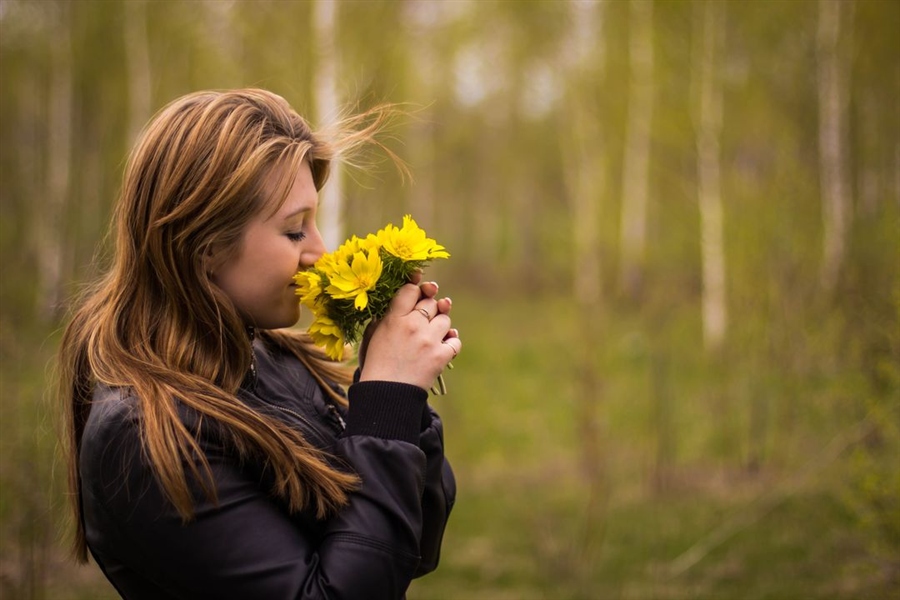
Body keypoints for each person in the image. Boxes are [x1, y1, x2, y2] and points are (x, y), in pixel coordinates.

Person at [57, 88, 460, 599]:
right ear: (205, 246)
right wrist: (387, 399)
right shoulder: (145, 437)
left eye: (313, 222)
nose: (320, 252)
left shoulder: (273, 357)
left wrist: (398, 404)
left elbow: (411, 547)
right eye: (294, 231)